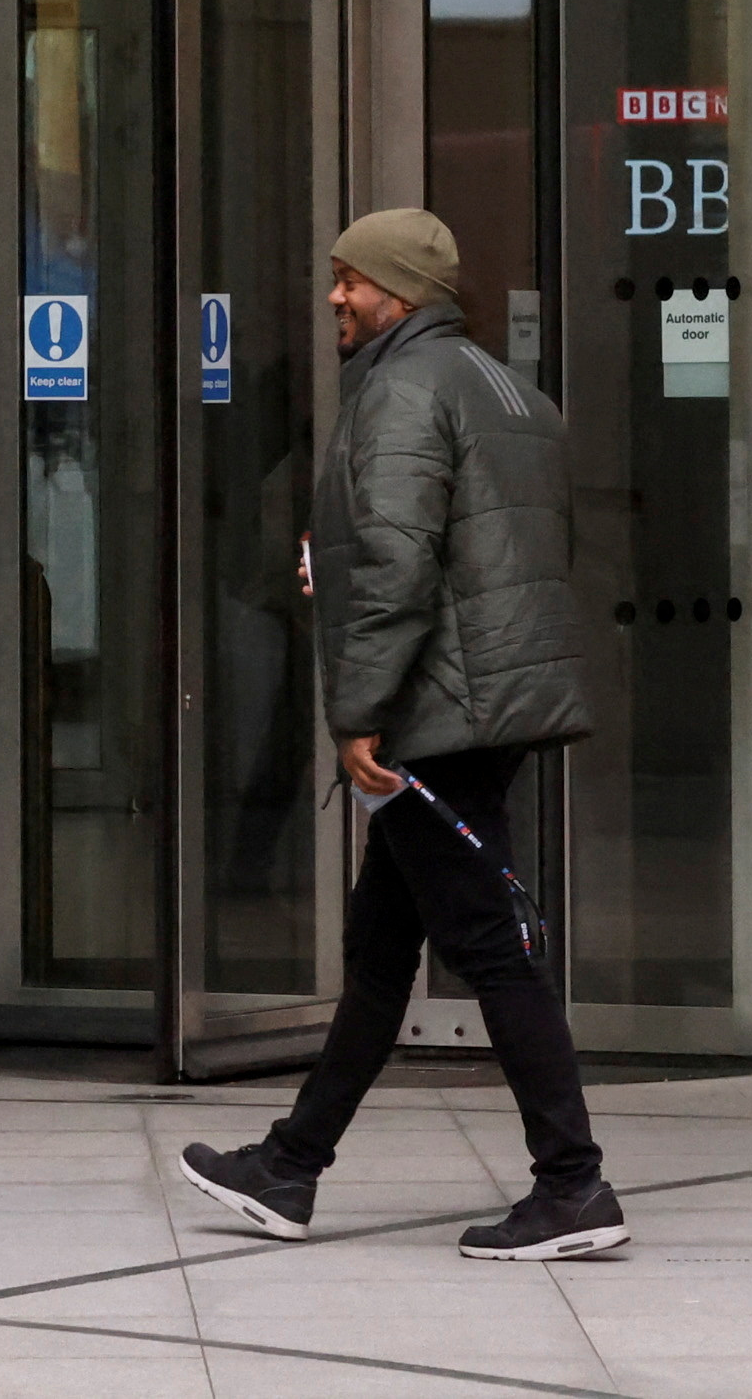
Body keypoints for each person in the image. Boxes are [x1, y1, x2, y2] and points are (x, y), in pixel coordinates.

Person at [174, 208, 624, 1265]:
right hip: (488, 696)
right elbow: (497, 551)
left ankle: (573, 1184)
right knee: (383, 952)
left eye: (352, 280)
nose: (335, 295)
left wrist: (360, 709)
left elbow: (396, 557)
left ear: (401, 292)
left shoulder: (401, 390)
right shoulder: (510, 390)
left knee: (491, 950)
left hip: (434, 710)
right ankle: (290, 1165)